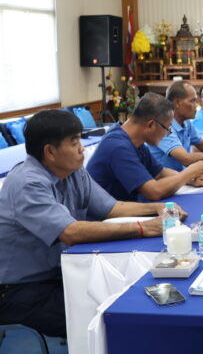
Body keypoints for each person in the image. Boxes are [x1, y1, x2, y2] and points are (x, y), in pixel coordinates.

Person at [0, 110, 187, 338]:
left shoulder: (73, 172)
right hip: (20, 289)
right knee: (106, 317)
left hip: (60, 273)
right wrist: (143, 228)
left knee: (128, 292)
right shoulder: (27, 183)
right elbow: (71, 232)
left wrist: (157, 208)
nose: (82, 148)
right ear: (50, 152)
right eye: (74, 142)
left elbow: (112, 208)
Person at [88, 92, 203, 201]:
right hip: (108, 218)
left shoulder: (134, 140)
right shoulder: (118, 147)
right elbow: (154, 192)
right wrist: (188, 173)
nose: (166, 134)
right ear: (151, 125)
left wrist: (190, 179)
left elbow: (160, 173)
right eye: (167, 128)